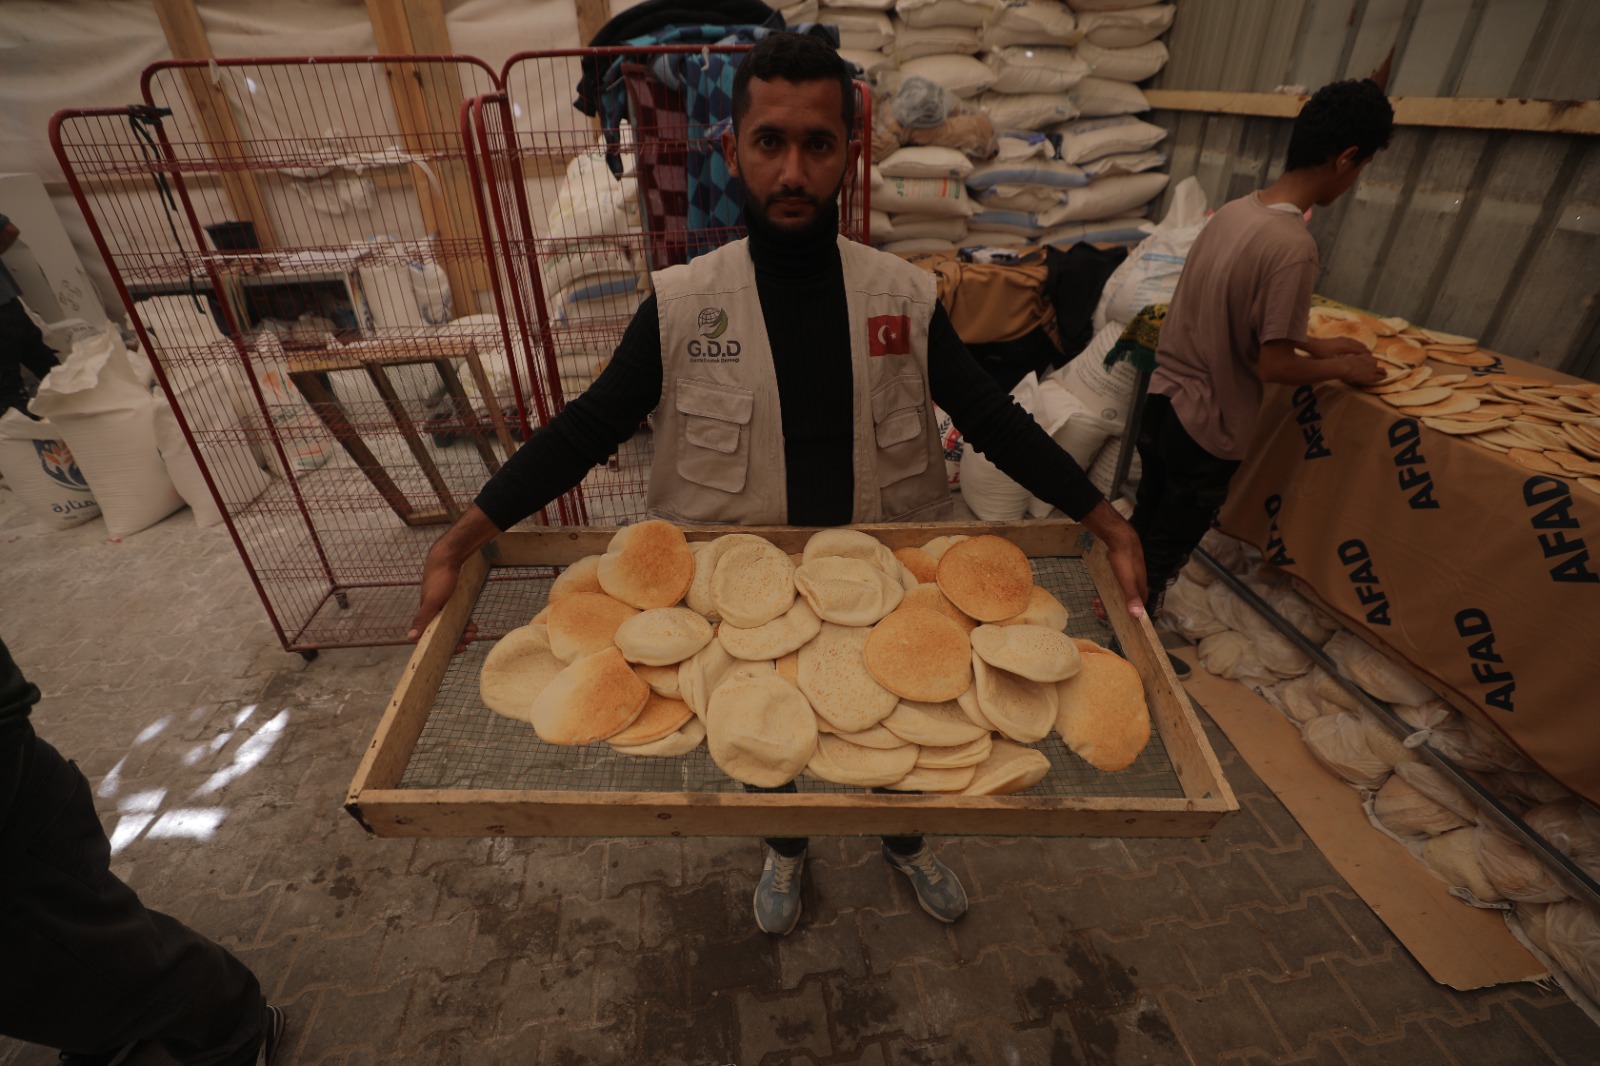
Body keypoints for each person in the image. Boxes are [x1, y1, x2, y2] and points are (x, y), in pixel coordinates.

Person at [408, 33, 1148, 936]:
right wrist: (457, 542)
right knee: (772, 744)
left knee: (900, 720)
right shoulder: (684, 304)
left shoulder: (901, 298)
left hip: (880, 585)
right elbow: (586, 429)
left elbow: (993, 419)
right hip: (745, 604)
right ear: (733, 151)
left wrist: (1106, 523)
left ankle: (905, 840)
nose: (793, 168)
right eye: (770, 142)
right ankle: (787, 848)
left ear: (848, 153)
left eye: (817, 143)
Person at [1131, 79, 1394, 612]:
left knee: (1141, 527)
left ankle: (1107, 612)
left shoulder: (1233, 213)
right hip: (1205, 427)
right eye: (1362, 167)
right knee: (1161, 556)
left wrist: (1319, 347)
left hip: (1161, 406)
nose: (1355, 179)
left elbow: (1227, 312)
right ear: (1346, 158)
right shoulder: (1293, 246)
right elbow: (1270, 365)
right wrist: (1341, 369)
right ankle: (1127, 647)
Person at [0, 636, 286, 1065]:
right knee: (56, 979)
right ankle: (108, 1031)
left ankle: (241, 1033)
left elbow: (7, 710)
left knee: (121, 960)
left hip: (14, 814)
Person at [0, 214, 62, 417]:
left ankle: (40, 440)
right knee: (49, 367)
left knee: (8, 391)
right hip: (10, 304)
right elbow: (10, 230)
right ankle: (85, 415)